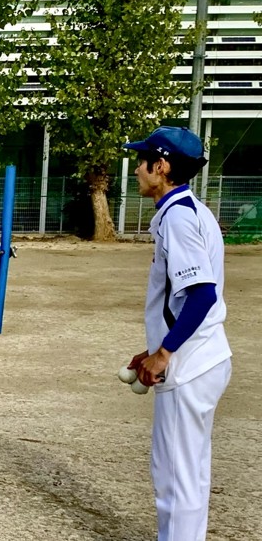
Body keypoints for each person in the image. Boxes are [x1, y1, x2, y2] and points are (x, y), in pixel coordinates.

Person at [122, 126, 232, 541]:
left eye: (142, 160)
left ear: (161, 166)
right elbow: (183, 303)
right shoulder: (192, 211)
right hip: (203, 358)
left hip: (189, 366)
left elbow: (202, 295)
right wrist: (151, 350)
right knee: (188, 476)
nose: (136, 169)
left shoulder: (179, 218)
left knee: (175, 479)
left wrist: (164, 353)